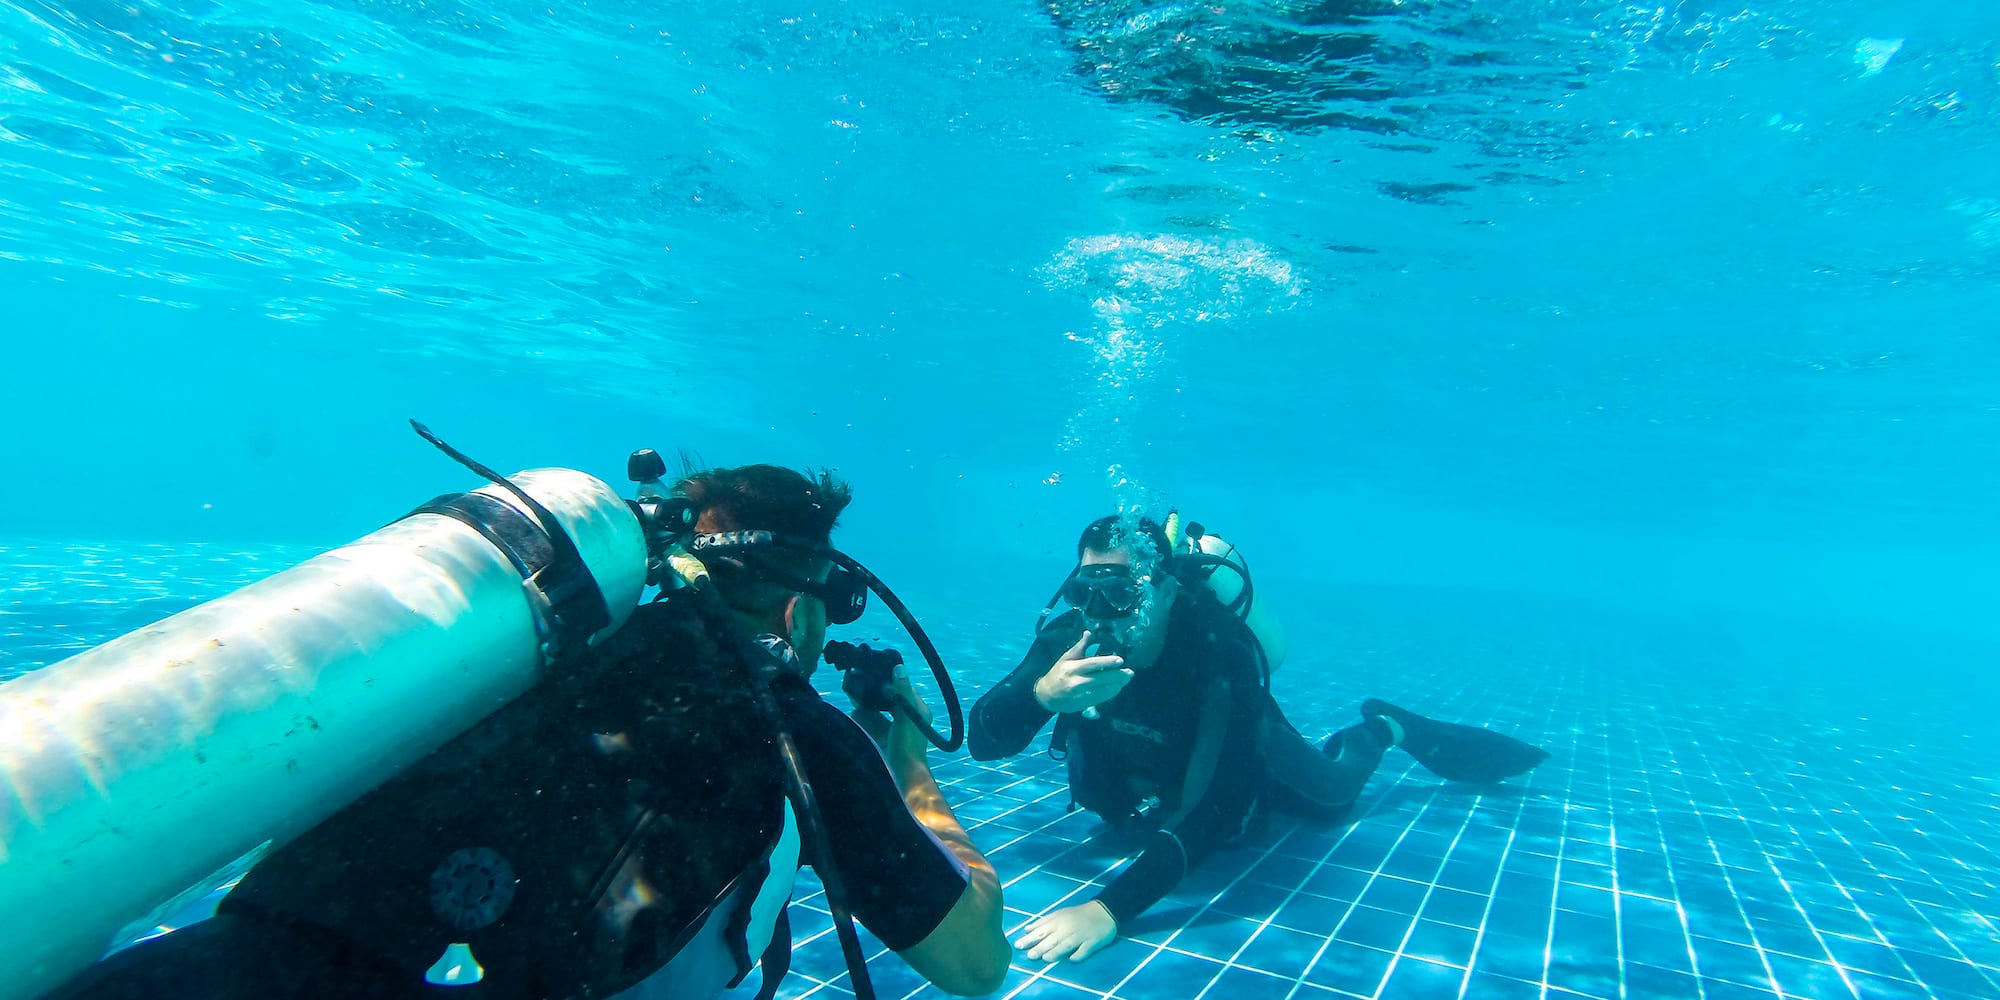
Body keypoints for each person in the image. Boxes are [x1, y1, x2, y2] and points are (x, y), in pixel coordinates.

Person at [50, 465, 1009, 1000]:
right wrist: (910, 763)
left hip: (207, 974)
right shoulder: (791, 733)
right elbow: (973, 964)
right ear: (802, 607)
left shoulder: (496, 654)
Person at [969, 514, 1548, 964]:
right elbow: (982, 742)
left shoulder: (1217, 653)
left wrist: (1110, 910)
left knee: (1331, 798)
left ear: (1165, 591)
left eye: (1119, 594)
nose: (1099, 615)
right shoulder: (1073, 640)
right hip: (1157, 772)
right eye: (1084, 592)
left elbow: (1220, 806)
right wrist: (1040, 695)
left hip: (1243, 751)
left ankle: (1385, 728)